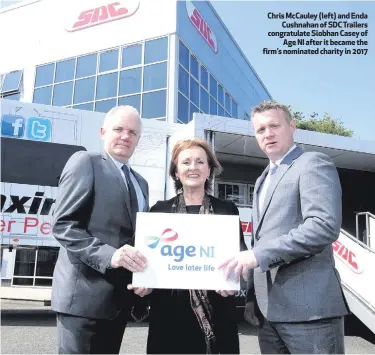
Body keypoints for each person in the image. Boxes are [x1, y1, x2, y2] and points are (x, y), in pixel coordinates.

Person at [219, 101, 349, 354]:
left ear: (292, 126)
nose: (267, 134)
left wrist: (258, 255)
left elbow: (322, 226)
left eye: (274, 126)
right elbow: (262, 240)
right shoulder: (262, 179)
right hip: (268, 314)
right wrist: (249, 295)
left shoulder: (312, 163)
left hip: (310, 312)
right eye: (260, 130)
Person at [51, 105, 151, 354]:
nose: (125, 136)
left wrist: (145, 278)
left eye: (132, 132)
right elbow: (63, 224)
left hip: (117, 303)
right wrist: (109, 255)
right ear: (102, 132)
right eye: (118, 129)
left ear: (138, 139)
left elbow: (138, 239)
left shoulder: (141, 183)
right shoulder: (86, 162)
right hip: (82, 302)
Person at [146, 138, 246, 354]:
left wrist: (234, 278)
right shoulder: (158, 211)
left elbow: (241, 255)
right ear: (176, 172)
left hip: (217, 316)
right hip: (168, 316)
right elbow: (146, 260)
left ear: (209, 170)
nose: (193, 167)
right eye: (186, 162)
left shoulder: (226, 210)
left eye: (200, 162)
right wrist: (143, 280)